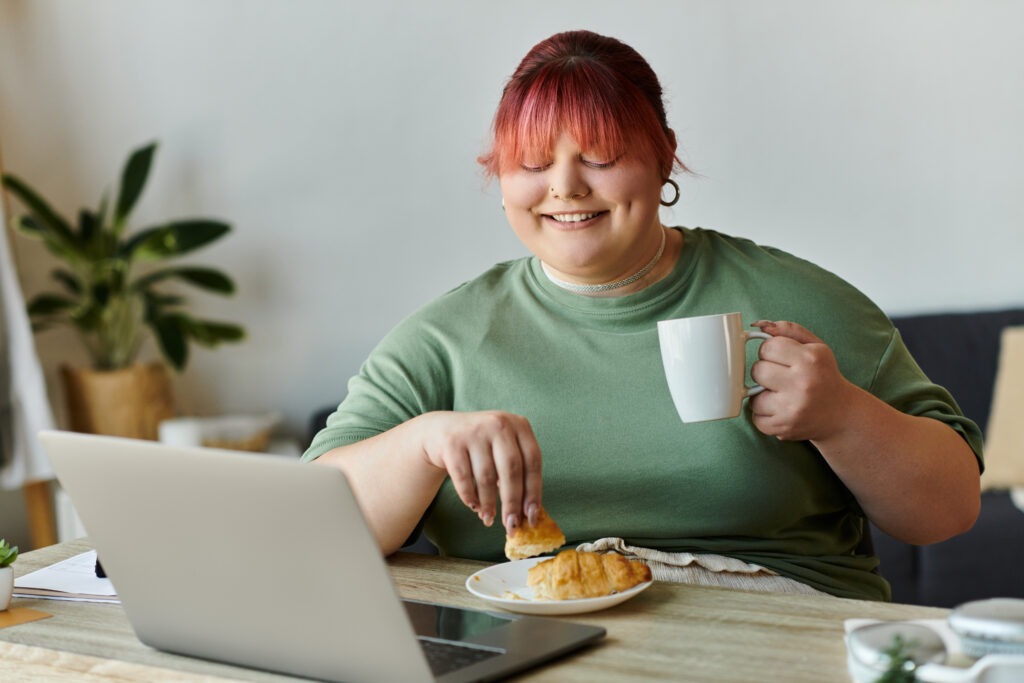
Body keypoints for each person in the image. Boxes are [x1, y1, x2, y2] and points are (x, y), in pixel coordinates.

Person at [303, 30, 982, 601]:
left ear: (663, 157)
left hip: (772, 637)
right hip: (533, 645)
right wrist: (421, 443)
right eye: (533, 161)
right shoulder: (445, 339)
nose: (565, 186)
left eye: (598, 155)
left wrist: (842, 415)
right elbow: (308, 528)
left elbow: (949, 510)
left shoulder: (795, 300)